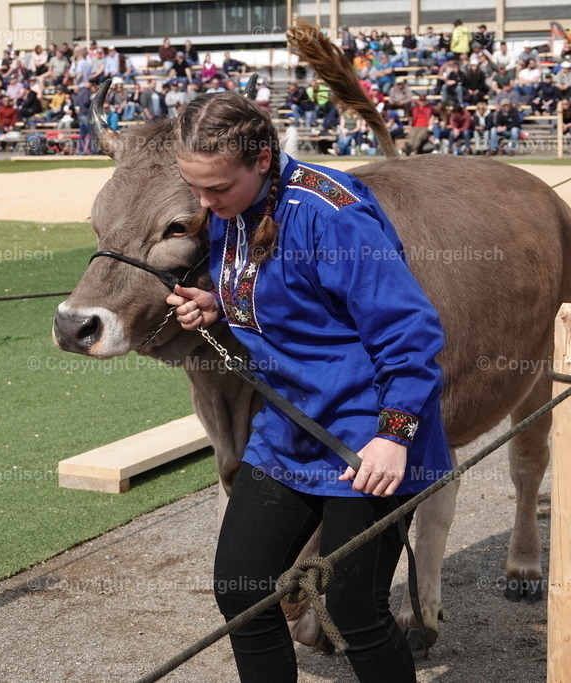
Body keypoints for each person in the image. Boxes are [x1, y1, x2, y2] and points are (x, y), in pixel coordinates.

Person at [165, 90, 450, 683]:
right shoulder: (230, 210)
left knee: (354, 611)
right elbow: (290, 295)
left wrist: (394, 437)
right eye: (195, 187)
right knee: (241, 594)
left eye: (217, 187)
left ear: (263, 160)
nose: (205, 202)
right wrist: (219, 306)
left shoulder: (332, 214)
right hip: (289, 431)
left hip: (368, 440)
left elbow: (413, 335)